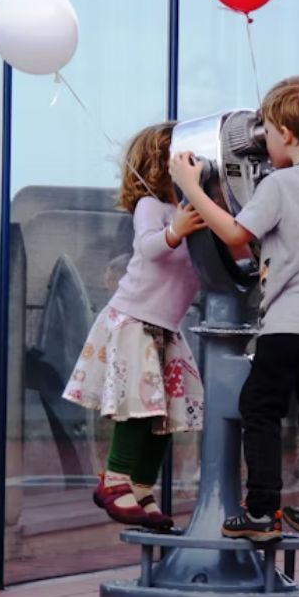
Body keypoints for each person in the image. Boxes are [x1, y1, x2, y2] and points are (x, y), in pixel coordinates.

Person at [169, 75, 299, 555]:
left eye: (268, 135)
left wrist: (191, 188)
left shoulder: (280, 185)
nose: (263, 144)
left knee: (261, 410)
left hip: (292, 323)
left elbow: (237, 234)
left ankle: (261, 513)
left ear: (289, 136)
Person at [61, 122, 206, 531]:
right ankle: (115, 479)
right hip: (136, 321)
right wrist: (175, 230)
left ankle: (143, 485)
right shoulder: (151, 207)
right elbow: (147, 247)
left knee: (167, 415)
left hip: (166, 329)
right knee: (140, 407)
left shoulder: (194, 212)